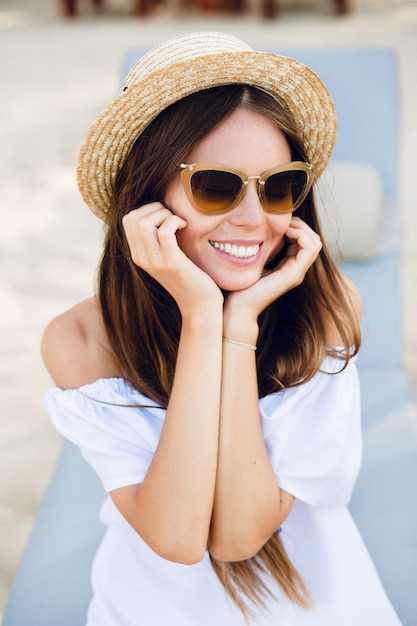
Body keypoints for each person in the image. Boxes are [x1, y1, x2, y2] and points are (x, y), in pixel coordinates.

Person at [41, 32, 402, 626]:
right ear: (149, 194)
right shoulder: (81, 339)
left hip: (309, 602)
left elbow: (239, 535)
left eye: (279, 185)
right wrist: (202, 317)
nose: (255, 221)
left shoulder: (327, 308)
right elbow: (179, 537)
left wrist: (238, 327)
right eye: (216, 185)